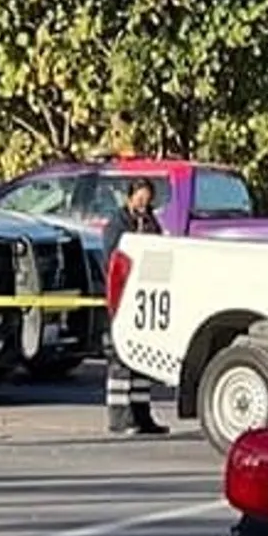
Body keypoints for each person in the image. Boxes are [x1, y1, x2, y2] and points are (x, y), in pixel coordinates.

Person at [100, 178, 169, 436]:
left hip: (144, 300)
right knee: (120, 360)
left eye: (148, 201)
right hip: (121, 299)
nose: (144, 206)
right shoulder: (117, 225)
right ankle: (119, 417)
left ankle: (143, 415)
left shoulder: (151, 224)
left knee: (141, 362)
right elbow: (114, 262)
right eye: (140, 200)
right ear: (129, 198)